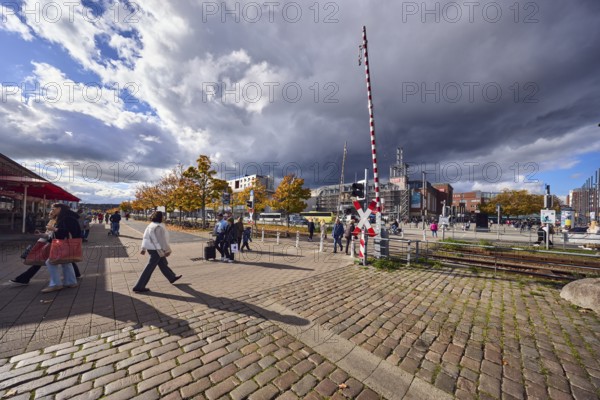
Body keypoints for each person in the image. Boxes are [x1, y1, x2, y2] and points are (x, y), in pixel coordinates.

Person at [10, 217, 81, 286]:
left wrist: (52, 231)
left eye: (53, 210)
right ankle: (74, 275)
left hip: (53, 244)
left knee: (42, 261)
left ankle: (57, 283)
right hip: (50, 243)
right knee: (64, 261)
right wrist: (42, 234)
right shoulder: (53, 220)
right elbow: (49, 234)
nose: (50, 212)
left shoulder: (61, 220)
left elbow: (60, 233)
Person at [132, 211, 181, 293]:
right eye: (163, 216)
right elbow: (162, 241)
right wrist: (167, 250)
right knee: (149, 267)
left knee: (163, 263)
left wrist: (143, 248)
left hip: (151, 249)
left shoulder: (151, 225)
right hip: (157, 249)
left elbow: (145, 237)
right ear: (160, 217)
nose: (164, 217)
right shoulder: (158, 227)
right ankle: (139, 286)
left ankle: (172, 277)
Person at [41, 204, 81, 293]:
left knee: (50, 262)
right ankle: (71, 282)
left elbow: (70, 232)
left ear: (59, 208)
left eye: (53, 208)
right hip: (65, 244)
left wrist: (54, 229)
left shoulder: (67, 218)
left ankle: (56, 284)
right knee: (66, 262)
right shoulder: (66, 217)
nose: (52, 210)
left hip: (64, 244)